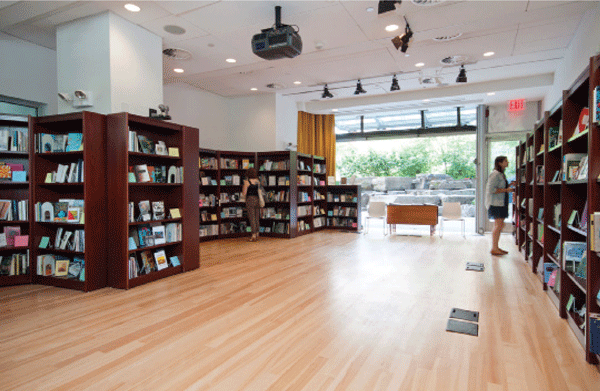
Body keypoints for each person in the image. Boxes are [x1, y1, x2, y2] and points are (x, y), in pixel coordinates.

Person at [485, 155, 515, 256]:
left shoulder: (501, 174)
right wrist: (507, 190)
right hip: (496, 203)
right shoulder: (495, 174)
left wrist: (509, 185)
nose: (508, 163)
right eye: (506, 161)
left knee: (500, 225)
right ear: (500, 163)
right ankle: (494, 248)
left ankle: (496, 247)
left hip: (501, 203)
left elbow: (500, 187)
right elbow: (491, 190)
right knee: (498, 226)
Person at [242, 168, 261, 242]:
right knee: (256, 217)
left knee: (251, 217)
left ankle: (253, 235)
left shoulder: (247, 182)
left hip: (250, 199)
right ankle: (257, 233)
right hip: (257, 199)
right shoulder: (257, 181)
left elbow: (244, 193)